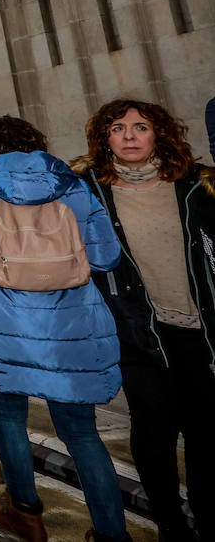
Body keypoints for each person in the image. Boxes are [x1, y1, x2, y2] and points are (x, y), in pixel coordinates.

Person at [0, 116, 128, 542]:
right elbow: (106, 256)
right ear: (36, 143)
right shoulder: (71, 184)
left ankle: (26, 515)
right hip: (72, 325)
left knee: (9, 420)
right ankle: (112, 534)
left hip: (3, 323)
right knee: (83, 436)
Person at [75, 99, 215, 542]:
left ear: (159, 134)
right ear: (105, 138)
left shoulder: (198, 186)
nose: (130, 135)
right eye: (118, 128)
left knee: (205, 433)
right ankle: (171, 524)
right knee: (153, 431)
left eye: (141, 126)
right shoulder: (90, 193)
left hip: (200, 331)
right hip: (138, 332)